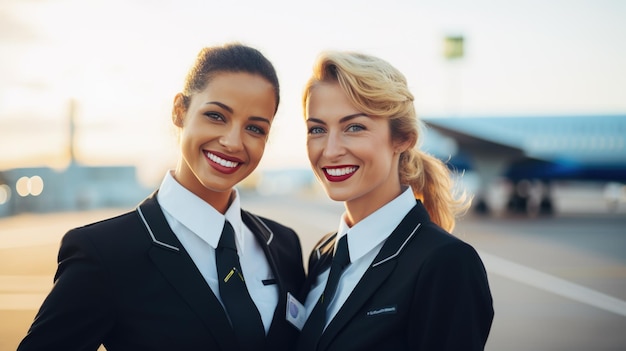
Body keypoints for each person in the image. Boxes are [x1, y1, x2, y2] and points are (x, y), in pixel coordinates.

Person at [17, 43, 305, 351]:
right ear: (180, 111)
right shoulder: (105, 253)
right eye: (216, 116)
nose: (233, 142)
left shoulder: (284, 245)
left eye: (255, 128)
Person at [297, 51, 494, 351]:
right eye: (317, 130)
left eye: (354, 127)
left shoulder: (446, 264)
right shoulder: (324, 255)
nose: (331, 149)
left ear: (402, 139)